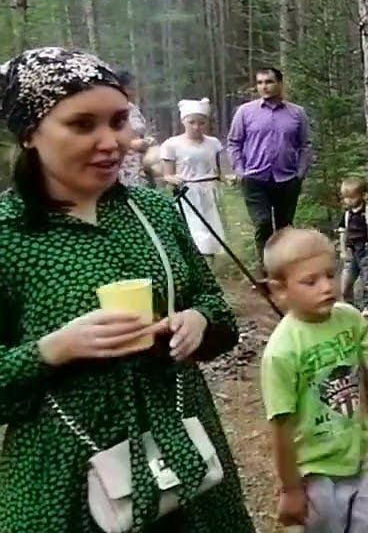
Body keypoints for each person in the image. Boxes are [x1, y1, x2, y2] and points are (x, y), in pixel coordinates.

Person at [0, 47, 253, 531]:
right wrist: (51, 351)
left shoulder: (153, 212)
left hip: (186, 458)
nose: (111, 142)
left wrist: (199, 321)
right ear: (29, 133)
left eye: (118, 121)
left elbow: (215, 309)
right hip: (65, 481)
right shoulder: (9, 234)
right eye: (82, 125)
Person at [261, 228, 368, 532]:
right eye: (310, 281)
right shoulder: (281, 352)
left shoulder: (350, 319)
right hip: (314, 468)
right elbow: (281, 423)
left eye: (330, 274)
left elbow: (360, 370)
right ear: (280, 290)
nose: (327, 286)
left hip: (358, 449)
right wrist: (290, 489)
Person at [227, 66, 314, 261]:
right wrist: (240, 171)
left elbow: (306, 145)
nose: (264, 87)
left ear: (280, 84)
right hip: (255, 178)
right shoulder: (245, 112)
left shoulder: (297, 113)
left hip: (287, 178)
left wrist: (300, 173)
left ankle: (285, 266)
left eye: (269, 82)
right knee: (263, 222)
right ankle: (266, 268)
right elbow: (233, 143)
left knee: (285, 227)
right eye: (260, 83)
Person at [160, 97, 230, 263]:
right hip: (188, 193)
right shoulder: (172, 144)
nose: (196, 127)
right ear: (183, 121)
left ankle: (209, 264)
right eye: (192, 122)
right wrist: (174, 180)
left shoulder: (213, 143)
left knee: (210, 227)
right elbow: (167, 174)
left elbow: (217, 171)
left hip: (210, 191)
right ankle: (195, 262)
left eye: (201, 123)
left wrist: (226, 178)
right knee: (194, 228)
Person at [338, 178, 368, 318]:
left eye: (352, 197)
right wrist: (343, 250)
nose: (349, 201)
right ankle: (349, 304)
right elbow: (343, 233)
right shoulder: (346, 215)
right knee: (346, 279)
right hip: (351, 250)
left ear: (362, 195)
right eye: (346, 198)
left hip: (366, 249)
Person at [117, 69, 156, 187]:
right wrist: (131, 144)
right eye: (129, 88)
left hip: (141, 162)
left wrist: (148, 140)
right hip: (122, 163)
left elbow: (141, 130)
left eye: (133, 88)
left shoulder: (133, 108)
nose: (133, 91)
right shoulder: (112, 109)